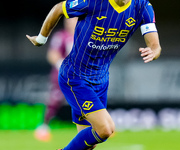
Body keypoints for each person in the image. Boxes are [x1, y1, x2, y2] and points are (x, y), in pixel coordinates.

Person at [26, 0, 161, 149]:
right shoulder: (93, 2)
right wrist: (41, 38)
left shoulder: (142, 6)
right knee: (105, 129)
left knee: (89, 145)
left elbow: (154, 44)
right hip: (75, 77)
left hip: (101, 80)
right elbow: (58, 8)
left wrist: (154, 50)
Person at [34, 17, 77, 142]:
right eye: (68, 20)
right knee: (55, 99)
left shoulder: (83, 35)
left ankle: (100, 125)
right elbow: (52, 54)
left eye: (73, 20)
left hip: (79, 75)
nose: (70, 22)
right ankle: (43, 126)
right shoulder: (61, 36)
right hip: (62, 74)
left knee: (90, 96)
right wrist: (62, 66)